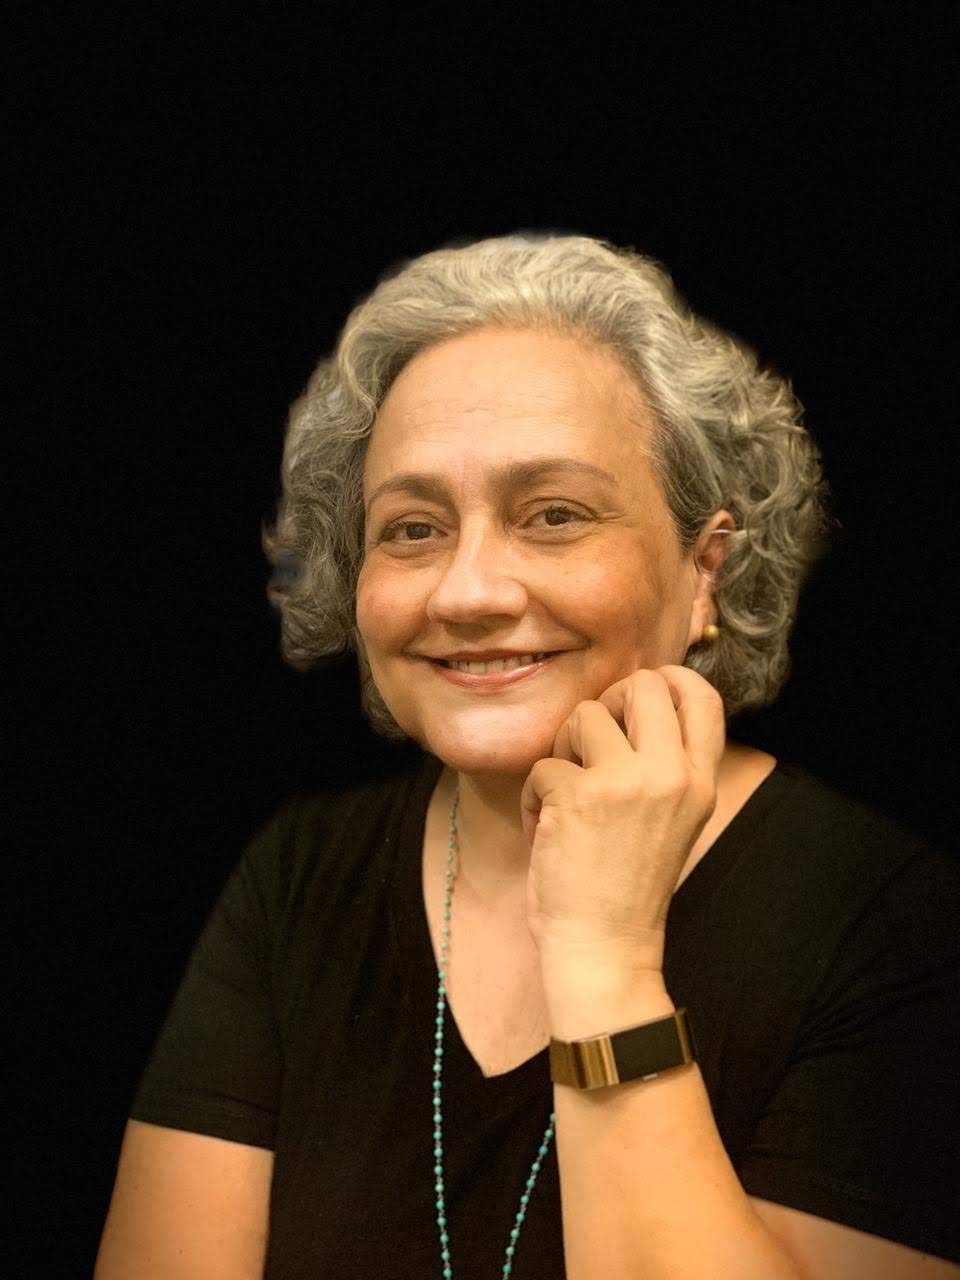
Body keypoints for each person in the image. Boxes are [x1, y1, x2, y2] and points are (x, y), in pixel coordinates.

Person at [94, 232, 960, 1279]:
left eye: (553, 515)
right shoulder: (296, 878)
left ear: (704, 571)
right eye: (412, 528)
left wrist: (604, 959)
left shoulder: (891, 921)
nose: (467, 592)